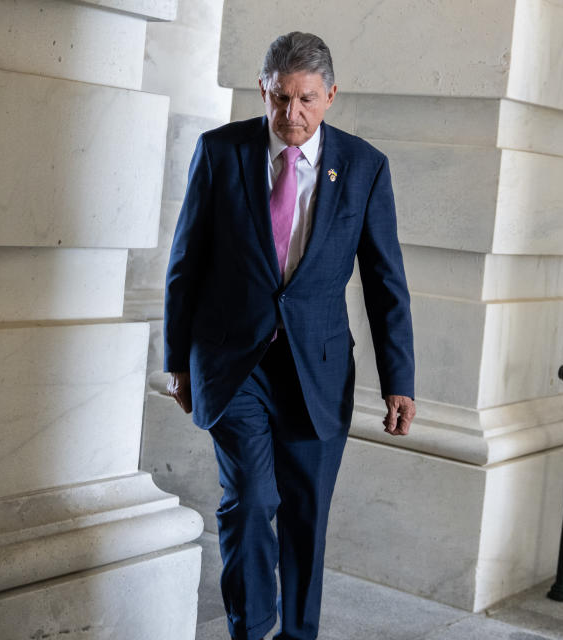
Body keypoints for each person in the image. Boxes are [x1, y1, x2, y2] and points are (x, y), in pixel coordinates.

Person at [163, 31, 415, 640]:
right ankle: (253, 628)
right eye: (280, 99)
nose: (292, 114)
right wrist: (176, 359)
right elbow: (185, 262)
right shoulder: (221, 153)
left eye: (306, 99)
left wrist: (398, 380)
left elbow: (385, 281)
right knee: (249, 502)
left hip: (317, 369)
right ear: (263, 90)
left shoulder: (363, 167)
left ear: (331, 95)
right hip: (232, 363)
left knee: (306, 517)